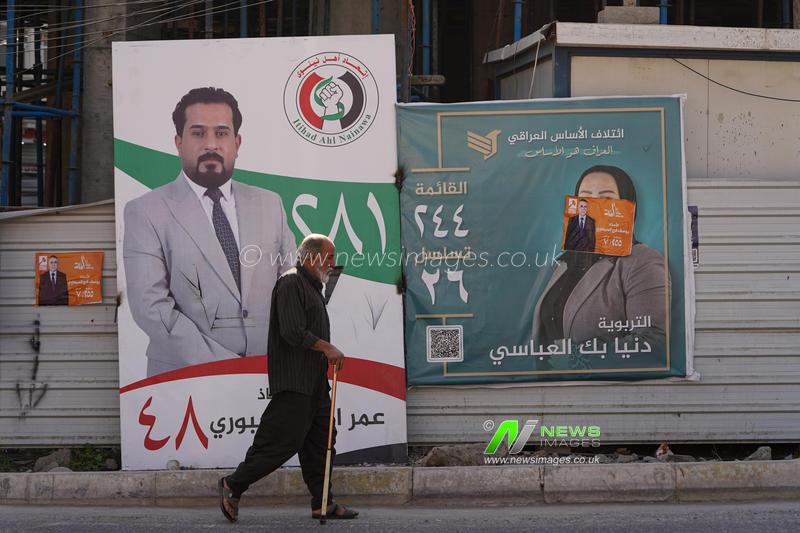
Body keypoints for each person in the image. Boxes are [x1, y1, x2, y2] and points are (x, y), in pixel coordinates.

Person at [123, 87, 296, 377]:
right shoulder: (145, 211)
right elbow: (150, 307)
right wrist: (228, 368)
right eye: (198, 133)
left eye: (222, 133)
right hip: (183, 380)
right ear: (178, 142)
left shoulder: (270, 204)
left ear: (237, 143)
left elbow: (290, 288)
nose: (211, 144)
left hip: (269, 376)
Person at [219, 234, 358, 522]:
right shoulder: (291, 283)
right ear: (312, 257)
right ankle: (233, 484)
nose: (333, 264)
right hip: (295, 383)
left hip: (315, 384)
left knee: (322, 442)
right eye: (329, 257)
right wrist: (327, 347)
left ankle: (323, 503)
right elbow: (292, 331)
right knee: (280, 441)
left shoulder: (312, 288)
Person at [532, 165, 669, 354]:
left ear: (628, 205)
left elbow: (653, 341)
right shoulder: (563, 263)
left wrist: (577, 360)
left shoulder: (643, 261)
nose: (593, 205)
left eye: (606, 198)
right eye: (585, 197)